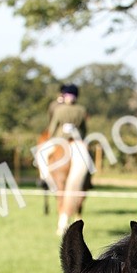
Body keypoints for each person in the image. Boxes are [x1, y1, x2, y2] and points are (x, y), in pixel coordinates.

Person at [38, 84, 93, 234]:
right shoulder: (81, 110)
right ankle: (90, 177)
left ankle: (43, 176)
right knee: (88, 159)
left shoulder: (59, 109)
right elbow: (84, 130)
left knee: (41, 153)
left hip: (60, 141)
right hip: (77, 142)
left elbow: (52, 129)